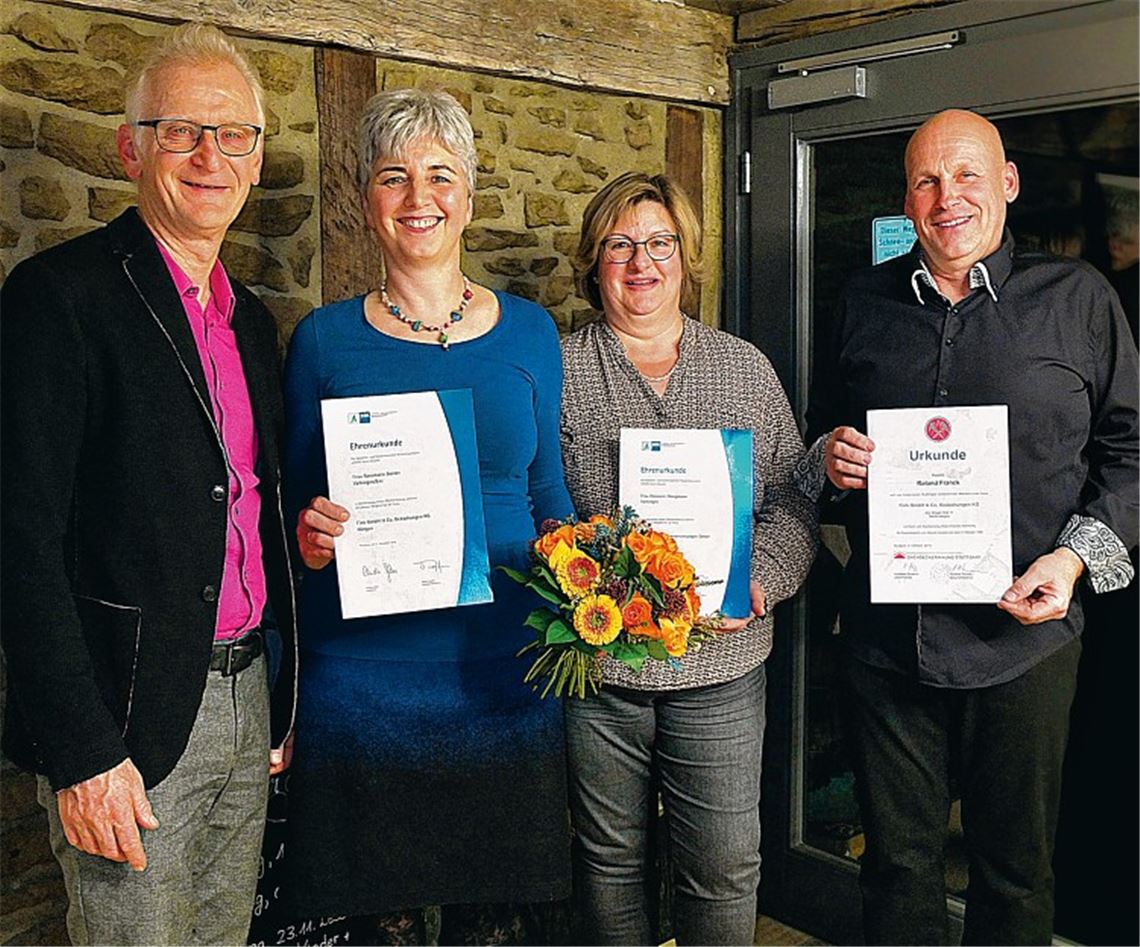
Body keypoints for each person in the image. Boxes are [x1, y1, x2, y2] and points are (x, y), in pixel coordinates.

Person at [798, 109, 1139, 945]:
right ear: (906, 200)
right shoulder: (862, 301)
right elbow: (821, 440)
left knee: (1015, 875)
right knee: (896, 869)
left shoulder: (1078, 300)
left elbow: (1133, 453)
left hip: (1023, 644)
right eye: (926, 180)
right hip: (887, 644)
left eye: (967, 175)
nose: (947, 196)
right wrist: (829, 458)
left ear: (1008, 184)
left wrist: (1073, 560)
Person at [0, 23, 297, 946]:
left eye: (234, 134)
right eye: (181, 132)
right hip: (128, 723)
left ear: (256, 158)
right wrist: (83, 753)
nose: (211, 156)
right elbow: (17, 540)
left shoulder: (253, 323)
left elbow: (246, 506)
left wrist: (280, 695)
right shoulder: (59, 297)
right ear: (132, 150)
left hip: (248, 701)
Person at [283, 88, 573, 936]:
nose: (419, 198)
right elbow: (294, 508)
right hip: (366, 681)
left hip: (506, 671)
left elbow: (547, 489)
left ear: (469, 197)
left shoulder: (530, 332)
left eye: (440, 175)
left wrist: (580, 557)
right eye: (393, 177)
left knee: (496, 924)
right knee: (383, 924)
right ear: (365, 201)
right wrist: (309, 538)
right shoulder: (322, 341)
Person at [560, 171, 818, 945]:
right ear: (595, 261)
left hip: (721, 666)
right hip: (602, 673)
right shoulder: (557, 370)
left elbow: (794, 498)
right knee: (608, 863)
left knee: (725, 863)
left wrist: (760, 579)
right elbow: (532, 500)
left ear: (686, 255)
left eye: (659, 243)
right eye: (620, 245)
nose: (641, 262)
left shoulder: (744, 368)